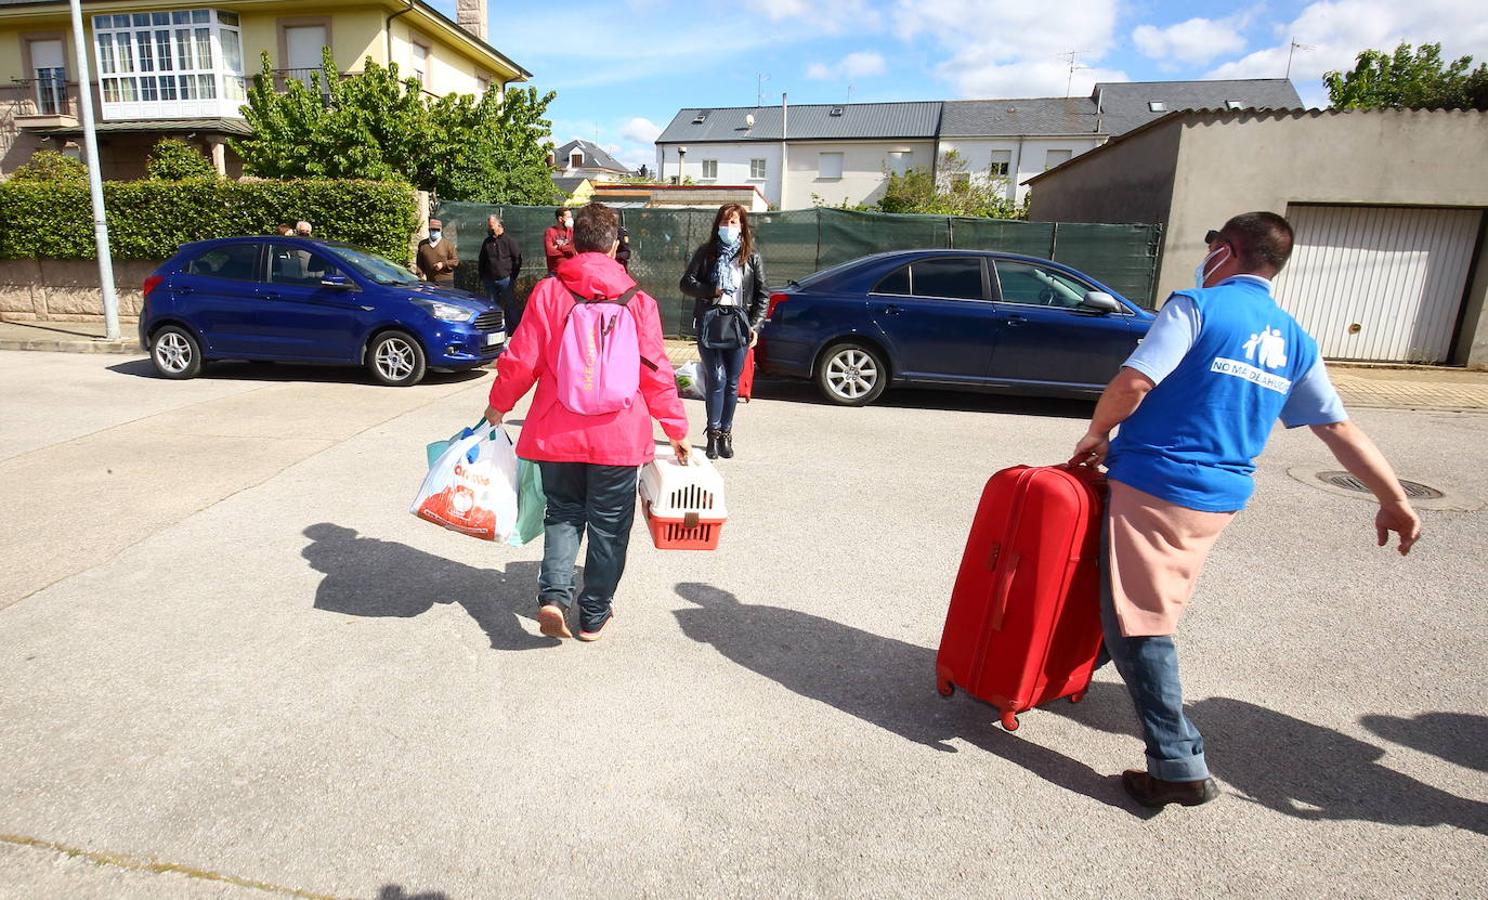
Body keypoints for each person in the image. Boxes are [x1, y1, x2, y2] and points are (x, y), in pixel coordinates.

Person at [1068, 211, 1422, 810]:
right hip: (1218, 496)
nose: (1205, 257)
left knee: (1142, 624)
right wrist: (1393, 498)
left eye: (1211, 247)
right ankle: (1070, 667)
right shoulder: (1295, 338)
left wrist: (1098, 432)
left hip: (1158, 480)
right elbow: (1335, 426)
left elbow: (1135, 380)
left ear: (1226, 251)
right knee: (1127, 591)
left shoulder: (1195, 306)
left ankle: (1177, 763)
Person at [483, 202, 690, 642]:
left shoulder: (549, 293)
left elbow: (522, 359)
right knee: (611, 526)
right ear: (615, 245)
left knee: (563, 514)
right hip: (618, 436)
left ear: (573, 242)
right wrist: (676, 429)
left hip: (558, 434)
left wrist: (499, 404)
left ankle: (554, 597)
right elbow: (656, 372)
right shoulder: (640, 301)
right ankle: (593, 615)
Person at [680, 203, 769, 460]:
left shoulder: (751, 255)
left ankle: (726, 433)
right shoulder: (706, 253)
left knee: (732, 381)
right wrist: (712, 290)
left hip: (739, 324)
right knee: (716, 378)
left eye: (733, 222)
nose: (728, 227)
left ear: (742, 225)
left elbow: (763, 294)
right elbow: (686, 283)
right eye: (724, 222)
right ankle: (713, 433)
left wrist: (755, 326)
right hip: (710, 322)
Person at [478, 215, 524, 332]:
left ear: (498, 225)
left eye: (491, 226)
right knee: (492, 306)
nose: (489, 228)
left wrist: (512, 276)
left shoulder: (509, 241)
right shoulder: (487, 242)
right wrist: (482, 276)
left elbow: (517, 259)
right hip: (490, 280)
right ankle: (494, 329)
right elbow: (482, 260)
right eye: (488, 226)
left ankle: (515, 330)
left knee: (510, 305)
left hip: (505, 279)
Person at [415, 218, 459, 286]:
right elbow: (419, 263)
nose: (435, 232)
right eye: (433, 229)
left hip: (446, 281)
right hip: (430, 281)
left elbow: (455, 261)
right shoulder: (423, 245)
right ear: (429, 230)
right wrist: (419, 277)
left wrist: (443, 264)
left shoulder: (448, 245)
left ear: (441, 230)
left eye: (437, 230)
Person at [543, 207, 576, 275]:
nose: (571, 219)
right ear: (560, 219)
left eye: (571, 217)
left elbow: (575, 249)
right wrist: (568, 249)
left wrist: (559, 247)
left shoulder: (572, 231)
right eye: (568, 217)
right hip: (555, 272)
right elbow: (550, 252)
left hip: (571, 271)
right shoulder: (550, 231)